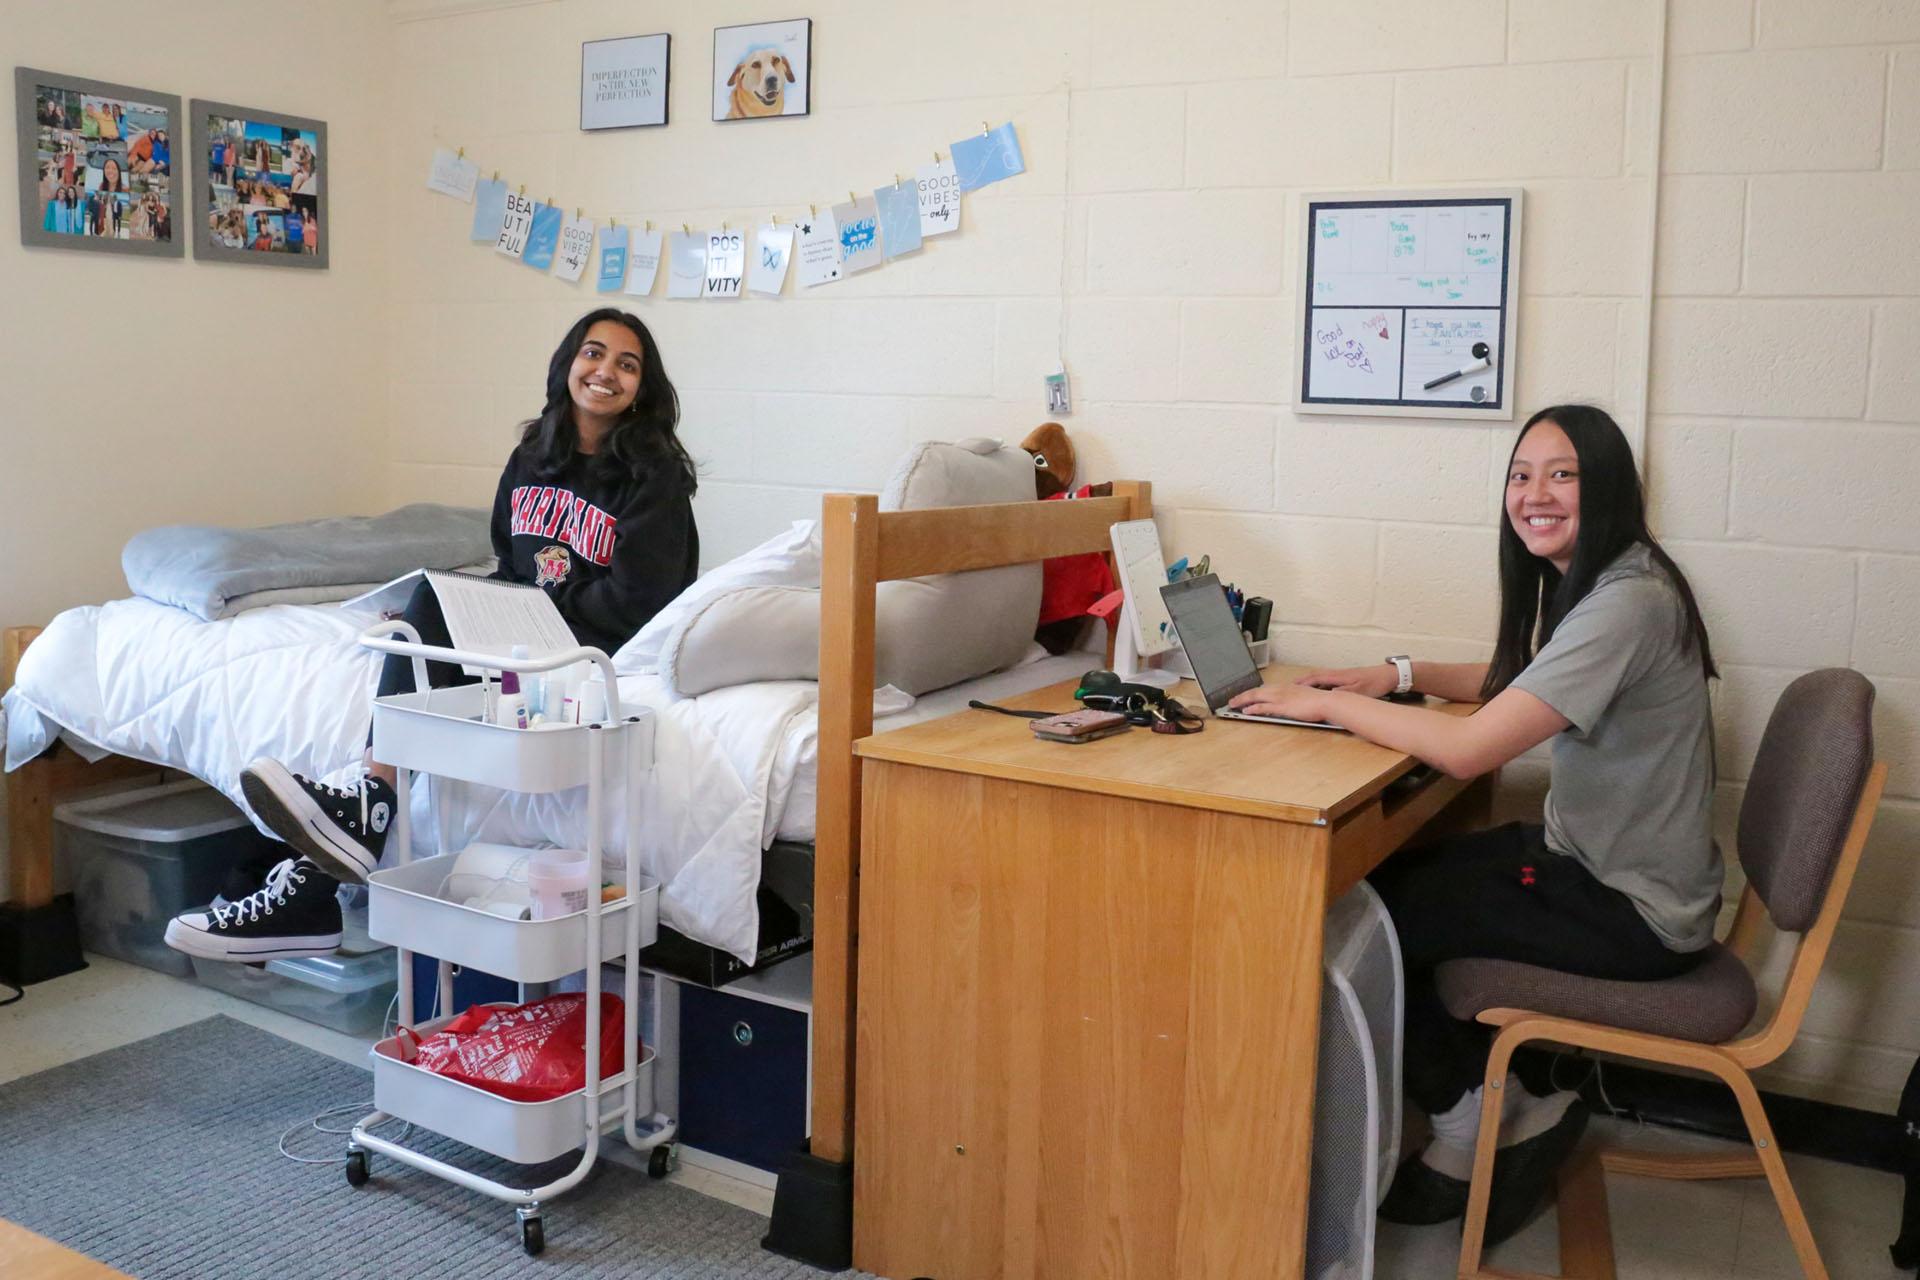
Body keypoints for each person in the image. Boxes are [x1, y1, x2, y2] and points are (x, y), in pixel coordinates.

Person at [1226, 404, 1719, 1246]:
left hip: (1628, 905)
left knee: (1367, 915)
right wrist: (1396, 675)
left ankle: (1470, 1123)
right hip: (1603, 869)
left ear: (1608, 488)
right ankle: (1495, 1099)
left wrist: (1327, 707)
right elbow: (1519, 682)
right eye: (1521, 475)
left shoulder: (1627, 601)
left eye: (1561, 473)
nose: (1535, 494)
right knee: (1383, 884)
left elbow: (1468, 751)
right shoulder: (1613, 581)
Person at [163, 310, 701, 963]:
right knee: (425, 615)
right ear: (567, 365)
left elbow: (642, 601)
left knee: (435, 614)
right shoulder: (533, 457)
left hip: (592, 648)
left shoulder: (655, 476)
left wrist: (533, 607)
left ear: (642, 388)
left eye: (627, 363)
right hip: (527, 636)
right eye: (594, 353)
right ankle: (356, 819)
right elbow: (510, 566)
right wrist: (460, 614)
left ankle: (354, 823)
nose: (606, 372)